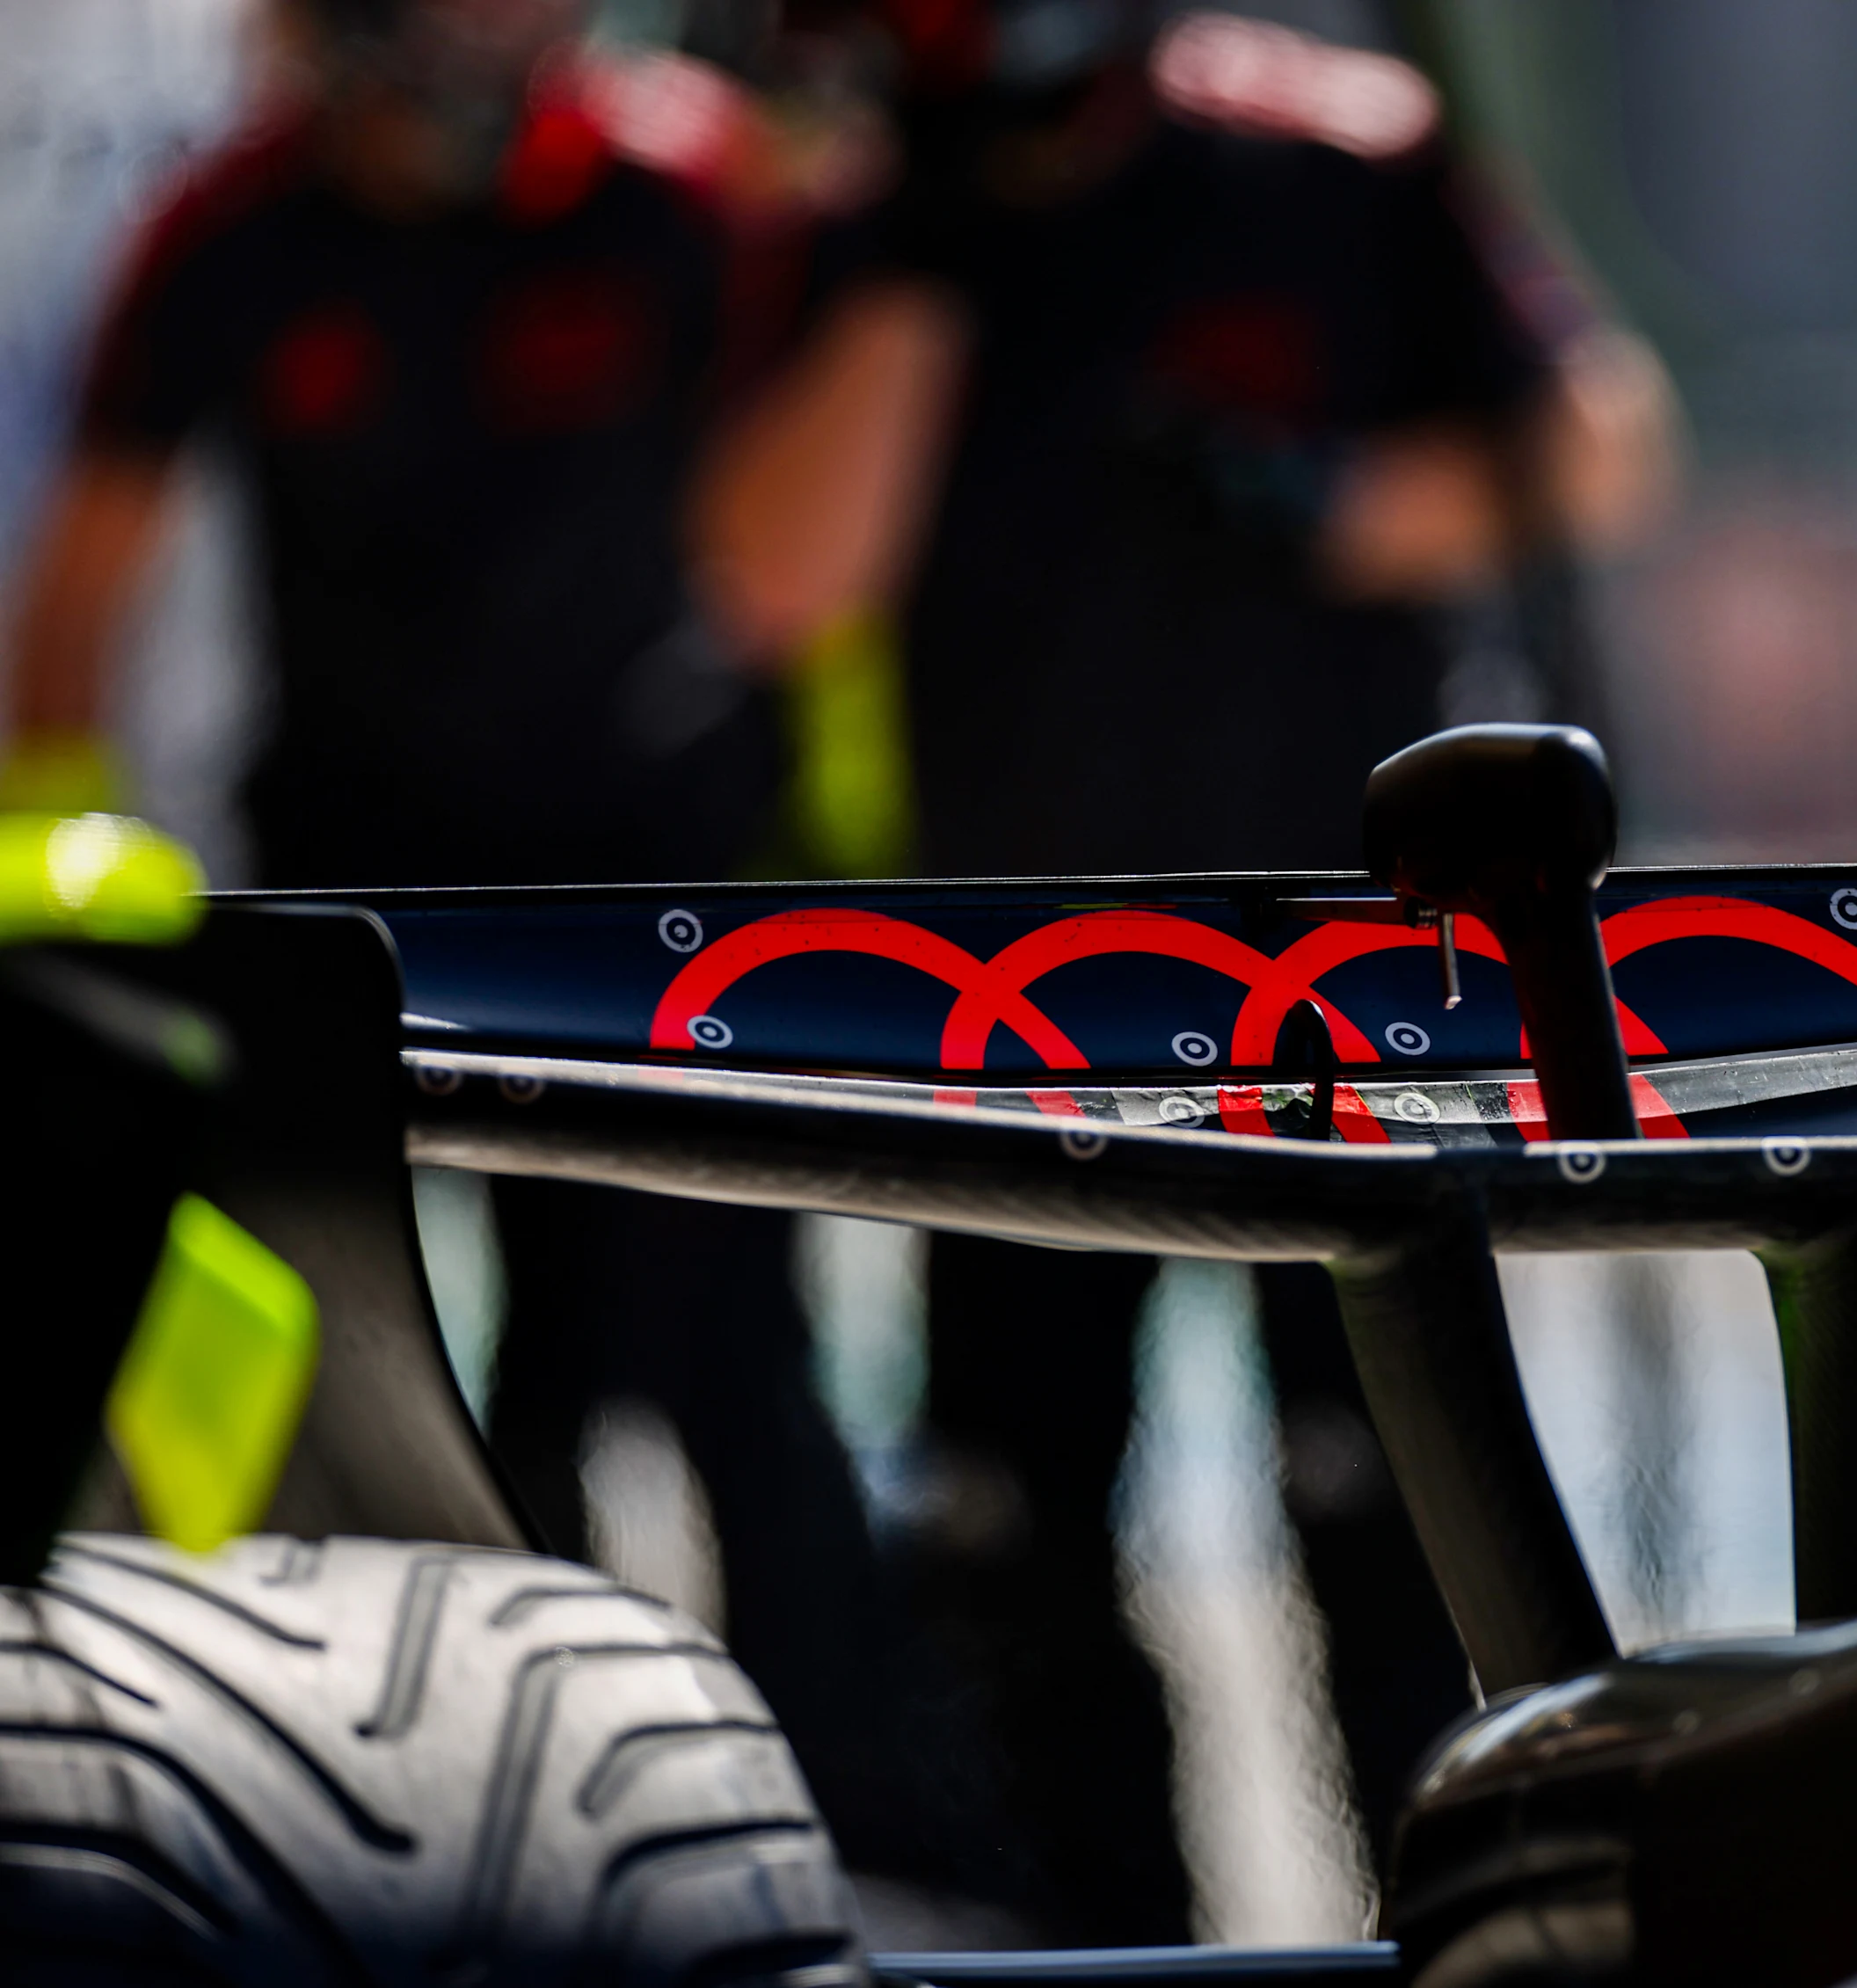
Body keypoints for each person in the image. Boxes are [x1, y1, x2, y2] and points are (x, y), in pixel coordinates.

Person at [0, 0, 1001, 1910]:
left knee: (733, 1375)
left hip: (658, 912)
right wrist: (65, 895)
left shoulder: (693, 188)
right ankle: (457, 1837)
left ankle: (868, 1847)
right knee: (413, 1396)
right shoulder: (232, 227)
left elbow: (803, 552)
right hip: (358, 921)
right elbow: (83, 585)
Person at [708, 0, 1675, 1942]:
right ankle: (1109, 1954)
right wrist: (920, 267)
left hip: (1362, 987)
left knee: (1394, 1514)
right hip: (1024, 998)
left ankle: (1462, 1946)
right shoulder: (867, 223)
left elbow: (1600, 446)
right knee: (1013, 1540)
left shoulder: (1343, 153)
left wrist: (1334, 503)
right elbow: (773, 578)